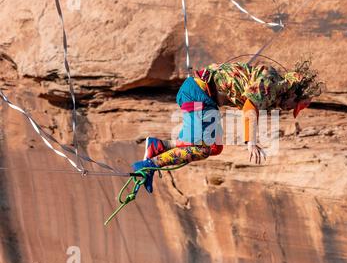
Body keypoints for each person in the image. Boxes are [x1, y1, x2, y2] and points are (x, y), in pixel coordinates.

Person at [132, 59, 324, 193]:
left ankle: (159, 146)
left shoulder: (274, 88)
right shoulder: (271, 84)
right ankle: (150, 165)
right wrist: (251, 142)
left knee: (214, 148)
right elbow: (250, 107)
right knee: (202, 149)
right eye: (294, 106)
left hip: (203, 96)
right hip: (198, 93)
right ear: (293, 94)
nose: (290, 109)